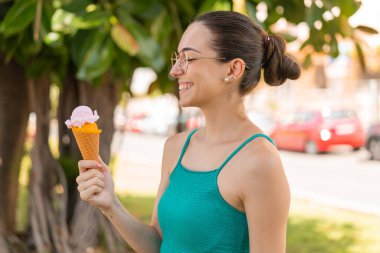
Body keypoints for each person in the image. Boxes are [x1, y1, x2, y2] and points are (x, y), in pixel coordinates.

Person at [76, 10, 300, 253]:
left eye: (189, 59)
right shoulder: (175, 147)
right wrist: (111, 204)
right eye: (177, 58)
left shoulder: (260, 162)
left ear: (233, 70)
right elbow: (158, 244)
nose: (174, 71)